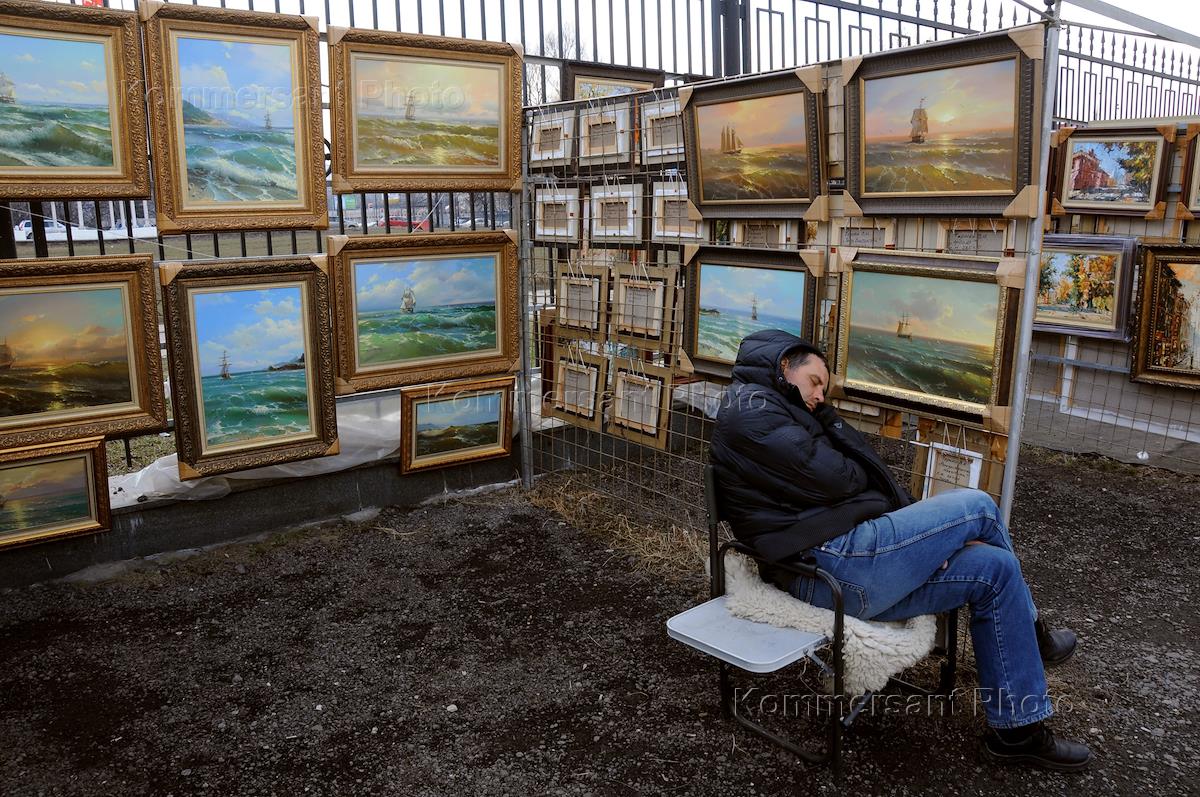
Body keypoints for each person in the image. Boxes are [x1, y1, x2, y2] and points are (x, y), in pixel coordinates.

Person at [710, 329, 1091, 772]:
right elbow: (845, 478)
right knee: (979, 506)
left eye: (824, 391)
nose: (819, 396)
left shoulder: (778, 408)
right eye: (815, 382)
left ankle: (1017, 731)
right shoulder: (751, 410)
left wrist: (927, 541)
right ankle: (1036, 635)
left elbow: (852, 479)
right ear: (783, 366)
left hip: (846, 563)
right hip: (826, 571)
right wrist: (831, 423)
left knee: (995, 568)